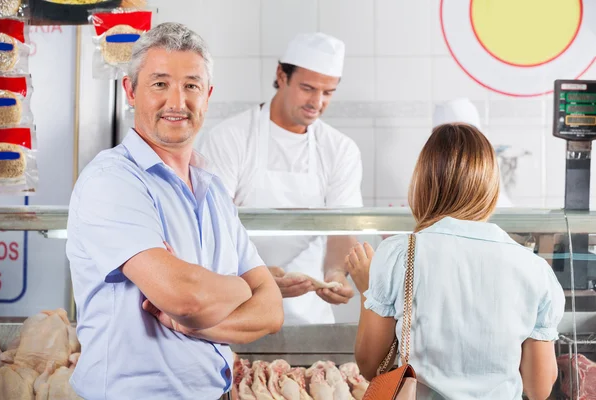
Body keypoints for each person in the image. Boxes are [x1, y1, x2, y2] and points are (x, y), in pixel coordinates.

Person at [66, 23, 283, 399]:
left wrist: (194, 325)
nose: (177, 102)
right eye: (160, 84)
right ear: (130, 91)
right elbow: (186, 297)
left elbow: (271, 311)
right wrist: (240, 287)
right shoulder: (113, 180)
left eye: (191, 86)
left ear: (208, 95)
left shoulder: (213, 191)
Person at [346, 124, 564, 399]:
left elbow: (371, 367)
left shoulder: (398, 254)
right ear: (490, 186)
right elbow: (538, 388)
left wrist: (368, 288)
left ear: (423, 183)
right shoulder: (534, 269)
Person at [197, 32, 363, 325]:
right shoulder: (231, 137)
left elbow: (342, 227)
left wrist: (336, 273)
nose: (317, 102)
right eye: (308, 88)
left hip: (311, 315)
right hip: (240, 305)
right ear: (281, 75)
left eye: (328, 92)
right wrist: (258, 278)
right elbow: (212, 226)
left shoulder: (340, 149)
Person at [433, 97, 514, 207]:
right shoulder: (421, 203)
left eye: (464, 137)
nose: (454, 150)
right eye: (444, 139)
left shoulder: (500, 205)